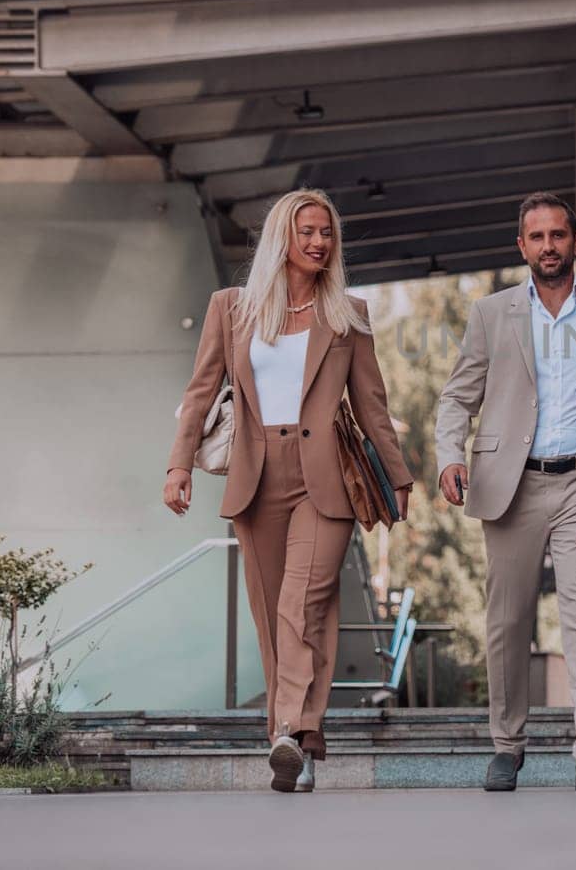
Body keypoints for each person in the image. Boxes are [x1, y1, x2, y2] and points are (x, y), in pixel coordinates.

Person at [164, 188, 412, 793]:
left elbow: (371, 404)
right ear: (283, 236)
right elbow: (200, 393)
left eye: (326, 233)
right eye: (307, 232)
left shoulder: (347, 315)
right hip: (256, 473)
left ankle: (285, 726)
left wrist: (397, 474)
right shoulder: (232, 308)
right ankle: (300, 741)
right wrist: (179, 466)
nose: (319, 242)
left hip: (326, 476)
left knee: (299, 601)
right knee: (276, 613)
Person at [435, 191, 576, 793]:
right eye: (537, 237)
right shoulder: (491, 313)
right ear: (521, 246)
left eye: (559, 235)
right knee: (508, 619)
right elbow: (457, 396)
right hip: (513, 484)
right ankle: (507, 745)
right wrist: (451, 455)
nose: (549, 246)